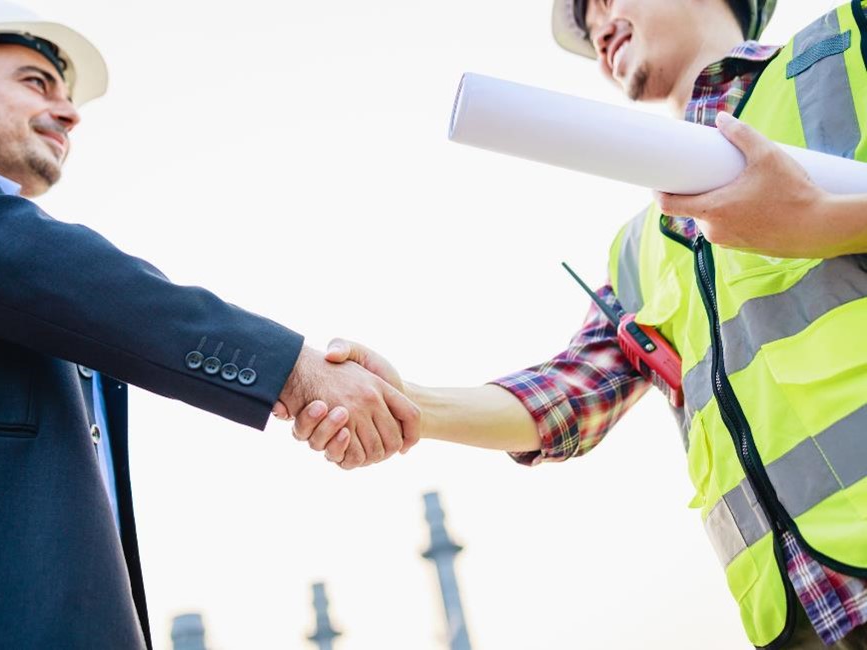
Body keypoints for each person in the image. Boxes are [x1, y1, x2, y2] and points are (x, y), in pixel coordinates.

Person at [293, 0, 867, 647]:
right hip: (800, 620)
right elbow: (569, 393)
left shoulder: (847, 53)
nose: (594, 20)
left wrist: (817, 220)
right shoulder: (640, 248)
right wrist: (408, 404)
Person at [0, 2, 420, 648]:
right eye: (36, 81)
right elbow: (33, 266)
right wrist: (289, 369)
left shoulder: (30, 278)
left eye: (67, 94)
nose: (69, 111)